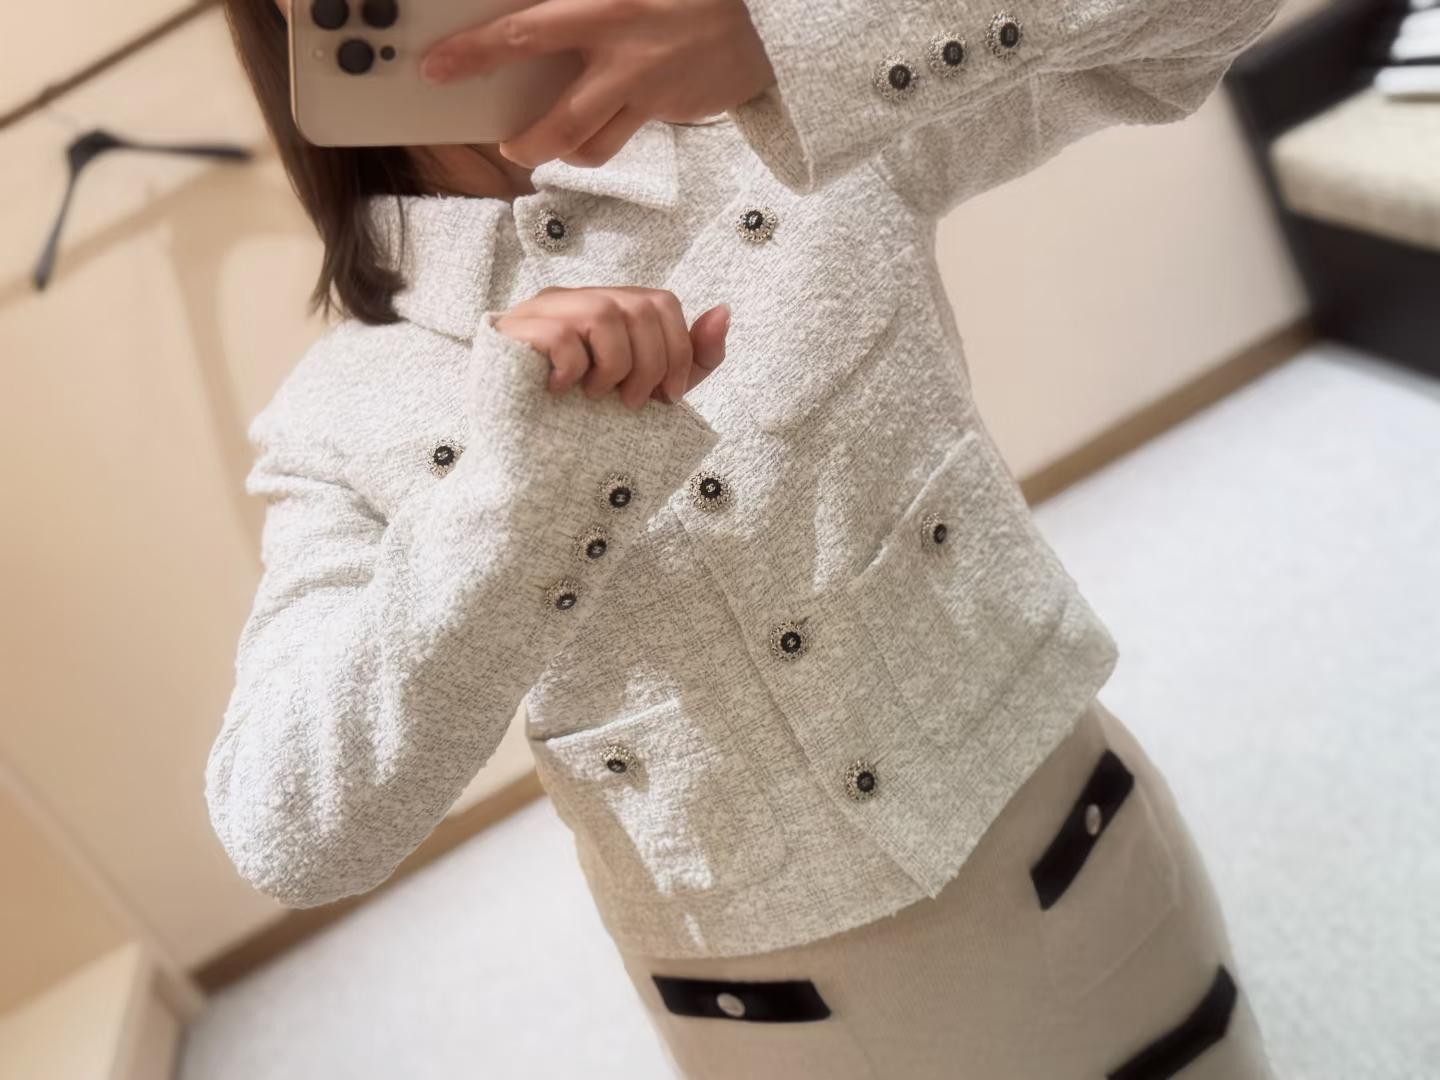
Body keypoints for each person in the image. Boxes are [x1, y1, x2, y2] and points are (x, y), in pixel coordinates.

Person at [209, 0, 1282, 1075]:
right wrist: (511, 500)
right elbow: (289, 833)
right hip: (779, 1029)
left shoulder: (786, 124)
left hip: (1087, 881)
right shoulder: (334, 420)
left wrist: (794, 38)